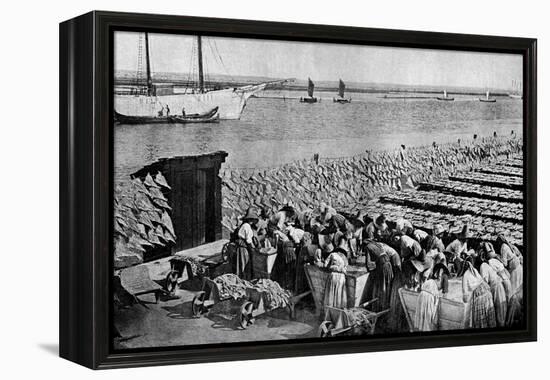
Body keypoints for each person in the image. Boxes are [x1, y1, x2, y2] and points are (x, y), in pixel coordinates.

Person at [460, 258, 496, 329]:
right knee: (489, 317)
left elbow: (465, 296)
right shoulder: (475, 271)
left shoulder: (465, 275)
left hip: (480, 297)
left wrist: (466, 299)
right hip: (487, 294)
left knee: (481, 320)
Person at [479, 243, 508, 327]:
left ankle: (500, 325)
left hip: (495, 287)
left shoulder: (483, 266)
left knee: (498, 307)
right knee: (501, 307)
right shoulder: (491, 263)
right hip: (500, 285)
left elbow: (485, 281)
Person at [414, 263, 449, 331]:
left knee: (422, 316)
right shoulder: (445, 276)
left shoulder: (431, 274)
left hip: (422, 295)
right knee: (428, 318)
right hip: (429, 297)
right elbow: (445, 293)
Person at [363, 240, 393, 312]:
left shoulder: (367, 247)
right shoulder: (377, 244)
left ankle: (379, 308)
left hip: (382, 265)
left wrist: (370, 271)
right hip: (388, 264)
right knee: (387, 286)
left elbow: (368, 263)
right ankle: (385, 306)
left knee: (381, 287)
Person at [234, 208, 259, 279]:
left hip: (241, 246)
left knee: (241, 262)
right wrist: (253, 248)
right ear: (250, 219)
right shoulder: (247, 226)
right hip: (243, 247)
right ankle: (243, 277)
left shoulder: (245, 225)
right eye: (253, 219)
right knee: (244, 261)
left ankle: (241, 276)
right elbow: (248, 240)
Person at [323, 247, 348, 312]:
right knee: (339, 295)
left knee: (331, 294)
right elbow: (346, 269)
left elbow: (325, 265)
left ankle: (330, 312)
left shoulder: (332, 254)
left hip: (333, 276)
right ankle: (338, 312)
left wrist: (331, 267)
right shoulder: (345, 257)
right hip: (341, 277)